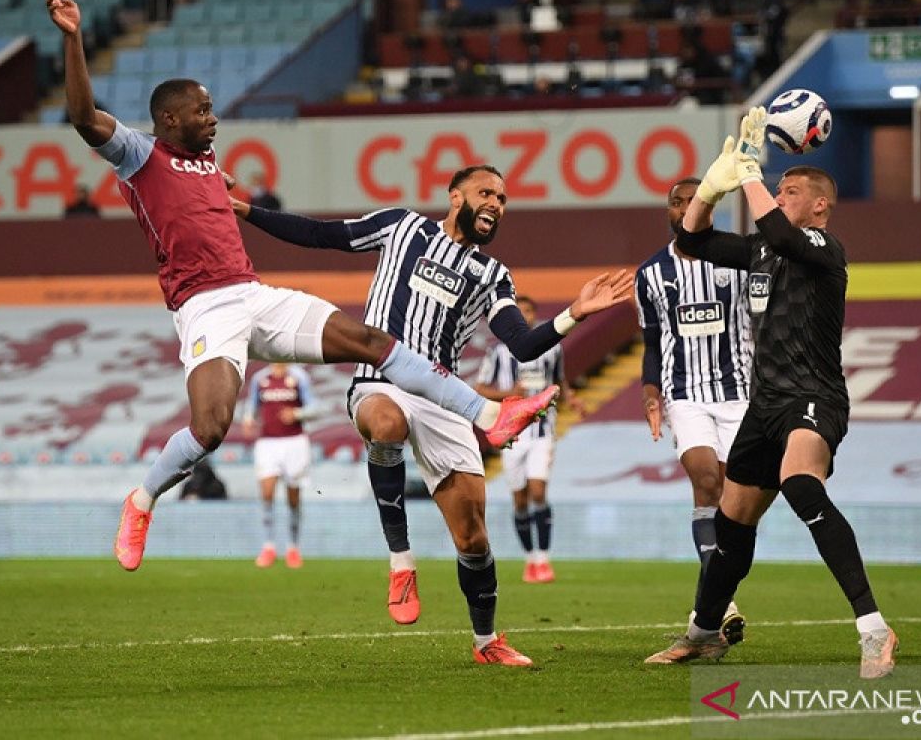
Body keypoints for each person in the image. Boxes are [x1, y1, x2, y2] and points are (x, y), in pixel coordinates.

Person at [45, 0, 558, 573]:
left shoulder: (205, 159)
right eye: (203, 111)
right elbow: (84, 118)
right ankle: (141, 500)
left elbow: (205, 186)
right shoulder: (140, 154)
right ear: (169, 119)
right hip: (205, 307)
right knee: (210, 429)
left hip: (253, 293)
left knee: (372, 341)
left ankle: (492, 414)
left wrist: (222, 188)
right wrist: (76, 39)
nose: (214, 119)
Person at [232, 165, 634, 666]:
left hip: (443, 397)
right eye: (486, 192)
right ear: (454, 196)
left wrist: (576, 311)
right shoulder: (403, 227)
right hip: (381, 379)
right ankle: (401, 561)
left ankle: (487, 641)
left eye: (504, 199)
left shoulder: (492, 274)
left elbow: (525, 345)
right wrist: (247, 211)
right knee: (385, 425)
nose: (496, 203)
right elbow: (320, 234)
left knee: (473, 537)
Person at [644, 109, 898, 679]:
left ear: (819, 206)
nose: (779, 198)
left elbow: (781, 232)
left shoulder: (823, 248)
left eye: (791, 191)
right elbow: (688, 238)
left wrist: (751, 174)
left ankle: (873, 628)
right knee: (732, 526)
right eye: (777, 190)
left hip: (815, 396)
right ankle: (704, 633)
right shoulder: (761, 250)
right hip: (764, 405)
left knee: (801, 483)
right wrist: (711, 187)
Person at [635, 177, 752, 646]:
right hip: (684, 394)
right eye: (677, 202)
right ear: (668, 212)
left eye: (694, 200)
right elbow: (650, 344)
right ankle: (722, 604)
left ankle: (711, 601)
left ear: (710, 208)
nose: (685, 207)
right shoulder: (651, 274)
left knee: (733, 504)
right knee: (705, 482)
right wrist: (650, 396)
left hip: (740, 394)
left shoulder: (739, 263)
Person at [474, 295, 586, 584]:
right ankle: (529, 559)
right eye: (520, 312)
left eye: (529, 312)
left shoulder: (552, 350)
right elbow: (481, 387)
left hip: (542, 431)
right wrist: (509, 392)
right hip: (512, 434)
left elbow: (560, 381)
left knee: (538, 492)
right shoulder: (498, 353)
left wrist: (571, 400)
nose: (526, 317)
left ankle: (543, 558)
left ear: (535, 316)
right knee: (520, 500)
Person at [241, 362, 319, 568]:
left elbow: (314, 407)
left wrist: (297, 414)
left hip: (295, 442)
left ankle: (293, 548)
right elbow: (251, 405)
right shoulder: (260, 378)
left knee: (293, 496)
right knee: (267, 492)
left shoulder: (299, 377)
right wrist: (248, 419)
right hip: (268, 442)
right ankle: (269, 546)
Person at [756, 0, 788, 79]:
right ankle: (769, 72)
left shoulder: (778, 0)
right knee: (768, 51)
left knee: (776, 52)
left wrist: (765, 16)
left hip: (776, 31)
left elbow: (774, 14)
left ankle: (777, 72)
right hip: (769, 31)